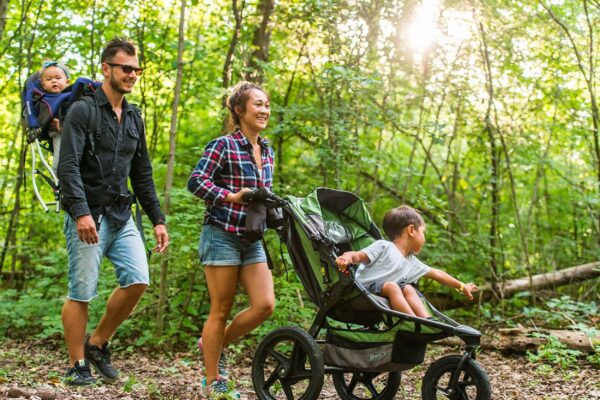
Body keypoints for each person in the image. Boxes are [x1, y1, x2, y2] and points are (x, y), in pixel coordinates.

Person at [57, 38, 169, 386]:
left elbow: (143, 173)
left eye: (137, 69)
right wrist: (80, 213)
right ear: (106, 68)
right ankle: (77, 364)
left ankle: (97, 343)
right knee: (82, 290)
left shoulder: (134, 117)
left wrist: (158, 219)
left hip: (122, 215)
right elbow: (68, 166)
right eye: (126, 68)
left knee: (138, 280)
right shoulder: (83, 111)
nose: (133, 75)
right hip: (87, 214)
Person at [187, 81, 275, 398]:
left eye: (267, 104)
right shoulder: (222, 145)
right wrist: (229, 197)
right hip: (221, 234)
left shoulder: (268, 150)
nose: (264, 110)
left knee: (265, 304)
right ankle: (214, 379)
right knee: (220, 309)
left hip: (251, 238)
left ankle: (212, 343)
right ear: (239, 110)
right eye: (258, 104)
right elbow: (195, 182)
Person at [335, 205, 477, 318]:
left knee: (408, 288)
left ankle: (427, 321)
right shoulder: (383, 246)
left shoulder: (412, 261)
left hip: (382, 296)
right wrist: (347, 256)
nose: (424, 238)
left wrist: (462, 286)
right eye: (423, 232)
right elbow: (358, 256)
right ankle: (411, 322)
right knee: (392, 286)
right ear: (411, 230)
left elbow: (437, 274)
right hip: (361, 293)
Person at [38, 61, 71, 171]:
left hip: (77, 135)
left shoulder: (74, 97)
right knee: (59, 164)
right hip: (59, 136)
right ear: (43, 85)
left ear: (67, 82)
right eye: (49, 79)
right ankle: (59, 179)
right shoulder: (44, 102)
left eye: (58, 78)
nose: (54, 81)